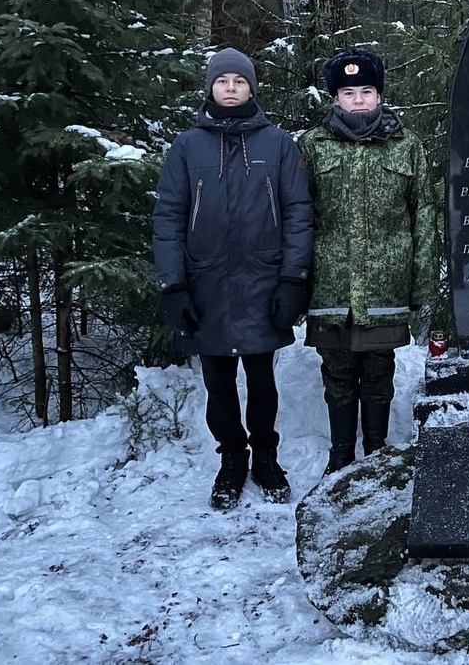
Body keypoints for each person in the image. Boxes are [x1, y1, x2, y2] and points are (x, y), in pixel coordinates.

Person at [153, 48, 313, 510]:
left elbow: (299, 213)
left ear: (251, 88)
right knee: (218, 382)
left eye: (238, 81)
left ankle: (265, 456)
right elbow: (168, 217)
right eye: (221, 81)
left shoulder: (278, 144)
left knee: (262, 380)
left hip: (263, 280)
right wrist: (173, 284)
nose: (229, 88)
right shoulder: (187, 147)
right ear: (210, 88)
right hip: (205, 284)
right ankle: (232, 459)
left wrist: (292, 279)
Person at [298, 48, 438, 476]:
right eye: (348, 92)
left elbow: (425, 215)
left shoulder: (407, 145)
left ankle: (376, 452)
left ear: (379, 95)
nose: (358, 100)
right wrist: (296, 281)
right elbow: (298, 216)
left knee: (379, 370)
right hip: (330, 285)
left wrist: (422, 284)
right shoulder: (312, 145)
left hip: (386, 284)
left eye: (366, 91)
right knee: (337, 371)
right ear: (335, 99)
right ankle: (341, 454)